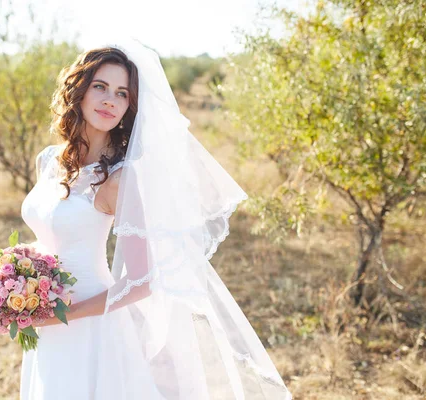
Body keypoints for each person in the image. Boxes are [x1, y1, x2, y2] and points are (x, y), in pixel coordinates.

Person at [19, 38, 292, 400]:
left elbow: (142, 281)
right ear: (78, 90)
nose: (109, 101)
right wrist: (15, 272)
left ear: (130, 106)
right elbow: (54, 233)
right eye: (99, 86)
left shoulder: (120, 178)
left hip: (88, 321)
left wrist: (66, 314)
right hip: (43, 312)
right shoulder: (49, 159)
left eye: (122, 93)